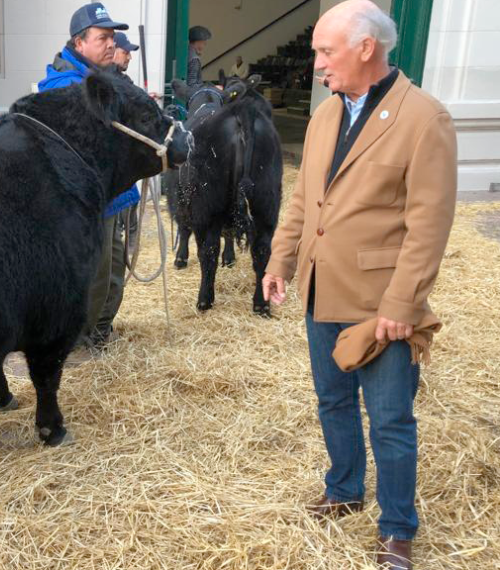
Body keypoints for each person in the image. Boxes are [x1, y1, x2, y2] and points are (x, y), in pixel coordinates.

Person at [261, 2, 457, 568]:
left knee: (391, 418)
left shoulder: (424, 118)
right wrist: (281, 263)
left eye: (326, 51)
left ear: (366, 48)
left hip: (380, 304)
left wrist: (403, 303)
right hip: (323, 289)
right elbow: (304, 201)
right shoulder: (326, 114)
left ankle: (397, 527)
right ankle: (344, 489)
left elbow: (429, 224)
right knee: (332, 400)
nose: (317, 63)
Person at [38, 3, 138, 349]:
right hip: (88, 202)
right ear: (79, 43)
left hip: (110, 196)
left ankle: (98, 332)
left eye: (112, 37)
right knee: (95, 273)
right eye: (103, 37)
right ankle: (81, 341)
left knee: (111, 272)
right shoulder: (66, 87)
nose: (111, 44)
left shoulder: (101, 79)